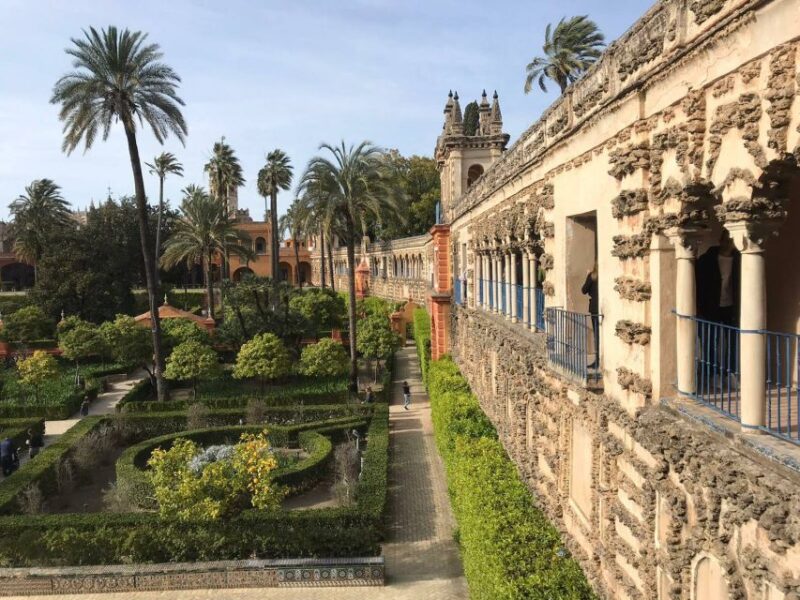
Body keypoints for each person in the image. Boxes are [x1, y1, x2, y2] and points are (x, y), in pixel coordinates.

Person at [581, 264, 600, 370]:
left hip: (594, 309)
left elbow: (584, 290)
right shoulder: (604, 275)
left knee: (597, 335)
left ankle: (597, 361)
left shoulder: (592, 276)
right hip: (601, 308)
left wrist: (588, 275)